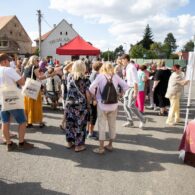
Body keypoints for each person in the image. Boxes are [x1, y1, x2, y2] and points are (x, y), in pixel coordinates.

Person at [89, 62, 129, 154]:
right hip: (114, 105)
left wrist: (96, 97)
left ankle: (101, 148)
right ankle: (110, 145)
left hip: (102, 105)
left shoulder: (100, 76)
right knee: (112, 125)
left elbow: (91, 88)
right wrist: (120, 94)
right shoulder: (115, 76)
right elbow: (126, 86)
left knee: (101, 126)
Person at [0, 53, 34, 151]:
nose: (10, 63)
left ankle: (9, 144)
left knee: (5, 122)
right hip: (12, 98)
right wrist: (18, 72)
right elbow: (22, 82)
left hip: (1, 100)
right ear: (5, 61)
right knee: (22, 121)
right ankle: (21, 143)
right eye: (9, 61)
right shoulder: (8, 70)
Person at [64, 60, 91, 152]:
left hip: (69, 104)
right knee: (79, 124)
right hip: (80, 105)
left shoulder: (69, 77)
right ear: (83, 68)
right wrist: (88, 104)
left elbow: (65, 69)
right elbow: (87, 93)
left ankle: (69, 142)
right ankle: (78, 146)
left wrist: (72, 63)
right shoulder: (86, 79)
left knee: (70, 123)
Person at [23, 55, 56, 128]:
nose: (38, 62)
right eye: (37, 60)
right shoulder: (35, 67)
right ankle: (40, 122)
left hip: (27, 89)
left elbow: (23, 78)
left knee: (28, 106)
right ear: (34, 61)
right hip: (34, 90)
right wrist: (50, 75)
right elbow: (40, 77)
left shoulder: (26, 68)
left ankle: (28, 122)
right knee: (37, 106)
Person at [121, 54, 146, 129]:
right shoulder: (127, 67)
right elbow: (127, 80)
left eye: (122, 60)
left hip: (132, 88)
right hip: (128, 88)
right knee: (125, 105)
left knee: (131, 105)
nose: (122, 61)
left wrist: (135, 92)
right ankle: (130, 121)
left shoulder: (131, 67)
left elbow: (135, 81)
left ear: (126, 59)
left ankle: (142, 119)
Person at [87, 61, 103, 139]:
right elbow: (93, 88)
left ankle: (89, 131)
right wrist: (94, 99)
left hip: (91, 98)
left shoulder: (93, 74)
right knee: (93, 116)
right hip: (93, 98)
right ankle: (90, 133)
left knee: (91, 115)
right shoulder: (96, 75)